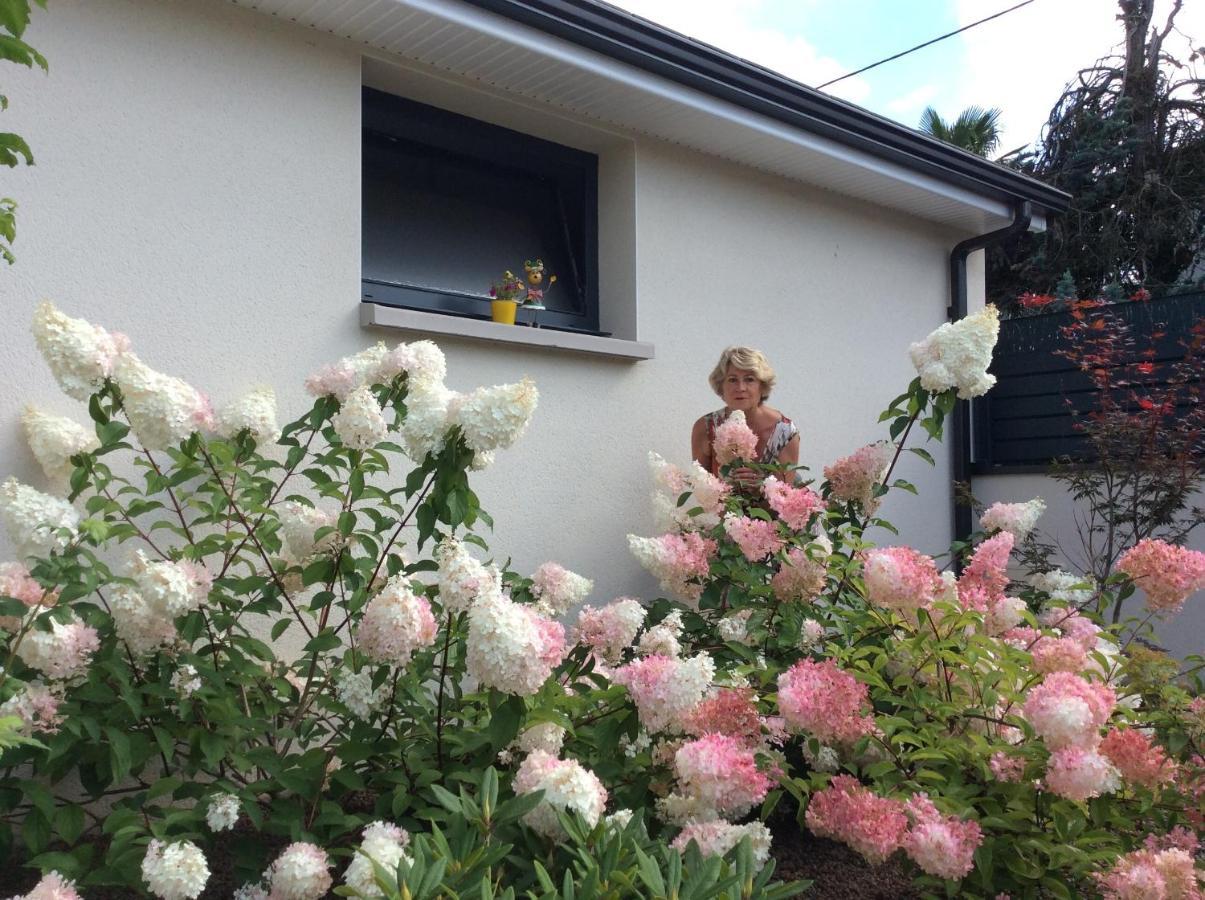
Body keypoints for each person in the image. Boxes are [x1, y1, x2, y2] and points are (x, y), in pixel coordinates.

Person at [692, 346, 799, 484]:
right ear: (721, 386)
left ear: (762, 386)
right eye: (732, 380)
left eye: (749, 379)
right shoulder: (705, 428)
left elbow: (785, 496)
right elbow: (701, 486)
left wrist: (760, 486)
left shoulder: (785, 433)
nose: (741, 388)